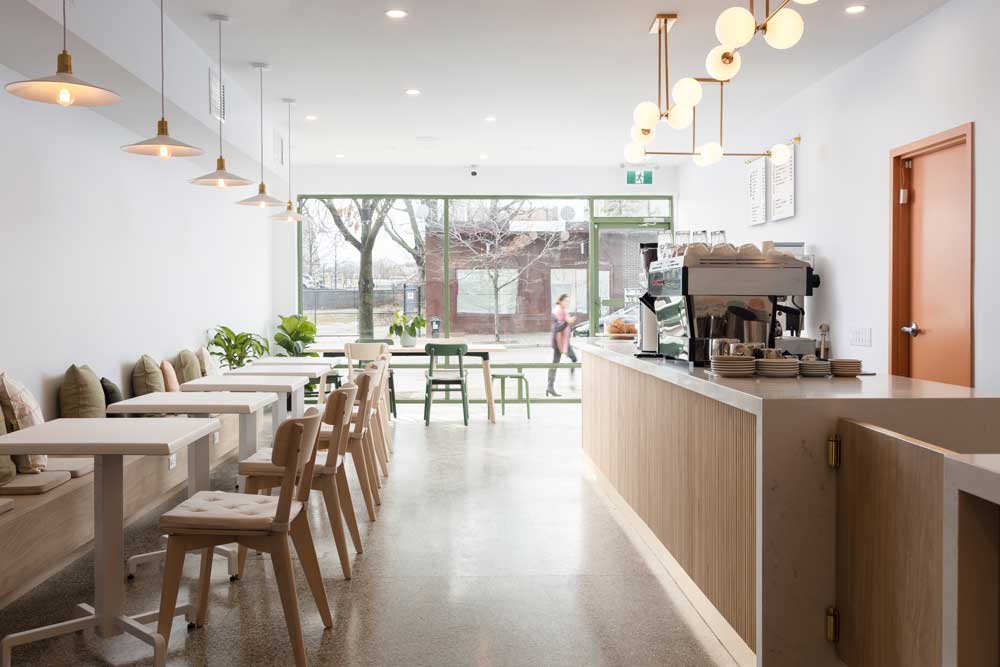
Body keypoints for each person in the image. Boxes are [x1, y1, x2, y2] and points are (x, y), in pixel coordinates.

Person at [547, 294, 577, 397]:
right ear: (560, 301)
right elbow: (557, 328)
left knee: (572, 359)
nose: (568, 303)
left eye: (569, 301)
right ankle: (550, 386)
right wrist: (567, 322)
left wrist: (568, 323)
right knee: (555, 363)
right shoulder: (556, 312)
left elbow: (565, 326)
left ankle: (569, 383)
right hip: (558, 342)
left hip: (564, 341)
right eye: (566, 301)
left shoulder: (564, 312)